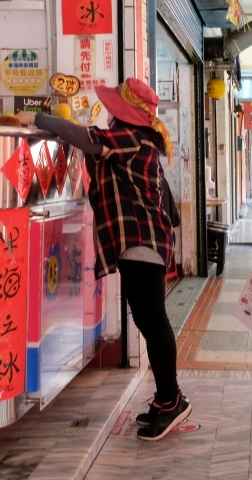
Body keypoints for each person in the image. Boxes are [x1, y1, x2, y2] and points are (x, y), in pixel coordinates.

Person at [18, 78, 190, 441]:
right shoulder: (142, 140)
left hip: (142, 242)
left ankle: (171, 399)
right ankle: (165, 398)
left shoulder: (131, 138)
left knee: (151, 320)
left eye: (114, 108)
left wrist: (38, 120)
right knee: (147, 318)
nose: (109, 113)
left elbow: (81, 137)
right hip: (141, 243)